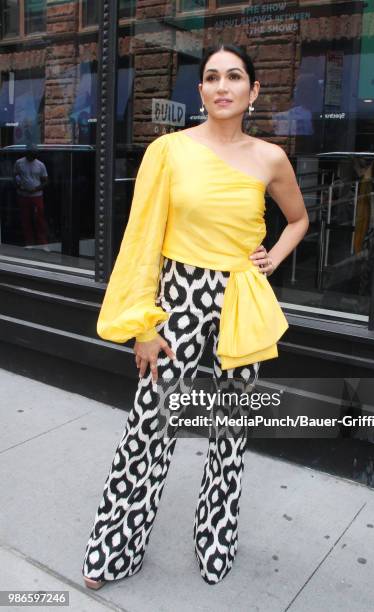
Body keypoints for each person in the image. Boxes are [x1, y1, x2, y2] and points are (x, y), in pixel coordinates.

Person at [82, 43, 309, 589]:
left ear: (253, 91)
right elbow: (140, 241)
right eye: (211, 77)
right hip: (179, 294)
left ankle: (216, 541)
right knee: (150, 423)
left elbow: (298, 219)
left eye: (235, 77)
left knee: (230, 429)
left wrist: (271, 258)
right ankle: (114, 547)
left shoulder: (270, 158)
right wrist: (142, 323)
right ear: (201, 90)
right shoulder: (168, 151)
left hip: (242, 298)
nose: (222, 86)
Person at [13, 145, 49, 247]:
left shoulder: (40, 164)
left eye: (34, 155)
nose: (33, 156)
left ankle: (42, 242)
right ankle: (29, 242)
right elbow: (15, 175)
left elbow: (46, 181)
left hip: (36, 195)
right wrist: (18, 186)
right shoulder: (19, 162)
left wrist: (36, 189)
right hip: (23, 195)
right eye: (31, 154)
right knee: (25, 218)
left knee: (39, 218)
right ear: (27, 153)